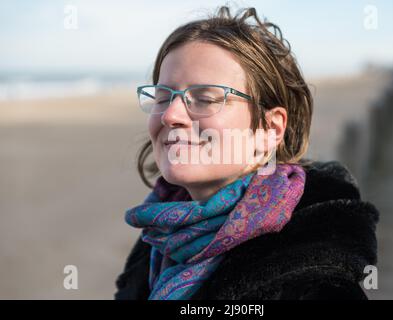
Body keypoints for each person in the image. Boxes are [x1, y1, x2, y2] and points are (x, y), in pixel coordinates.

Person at [114, 6, 379, 300]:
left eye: (204, 98)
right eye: (163, 96)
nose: (171, 115)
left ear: (270, 129)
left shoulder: (314, 278)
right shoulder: (158, 237)